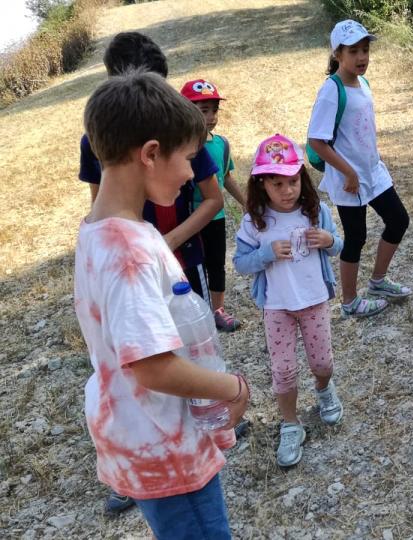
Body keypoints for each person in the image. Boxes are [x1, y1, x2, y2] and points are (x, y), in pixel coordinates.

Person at [74, 70, 249, 539]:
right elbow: (150, 366)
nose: (194, 173)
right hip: (165, 447)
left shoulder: (97, 228)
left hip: (144, 433)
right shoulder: (129, 251)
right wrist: (232, 387)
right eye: (189, 158)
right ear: (150, 153)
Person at [79, 32, 224, 299]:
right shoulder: (95, 141)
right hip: (134, 264)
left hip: (183, 260)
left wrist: (168, 242)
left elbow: (213, 199)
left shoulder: (179, 134)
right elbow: (98, 202)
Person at [233, 134, 344, 467]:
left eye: (293, 181)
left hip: (314, 301)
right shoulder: (255, 221)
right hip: (277, 306)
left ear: (302, 179)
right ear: (262, 183)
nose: (287, 190)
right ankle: (290, 423)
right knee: (283, 370)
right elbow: (240, 263)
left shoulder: (317, 211)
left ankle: (325, 389)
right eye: (277, 184)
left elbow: (339, 246)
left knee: (322, 363)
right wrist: (265, 254)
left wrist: (328, 240)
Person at [307, 19, 411, 318]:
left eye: (365, 50)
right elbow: (317, 140)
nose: (362, 57)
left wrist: (367, 165)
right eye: (353, 51)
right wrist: (349, 173)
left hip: (372, 172)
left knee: (398, 220)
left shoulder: (363, 83)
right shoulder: (331, 90)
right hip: (348, 179)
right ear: (337, 53)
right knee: (356, 238)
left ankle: (377, 282)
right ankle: (350, 302)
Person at [180, 78, 246, 331]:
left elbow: (226, 178)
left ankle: (218, 309)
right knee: (192, 264)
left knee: (216, 263)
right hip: (188, 219)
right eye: (202, 111)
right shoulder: (180, 148)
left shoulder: (221, 145)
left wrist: (245, 202)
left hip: (215, 218)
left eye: (213, 110)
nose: (210, 117)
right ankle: (195, 311)